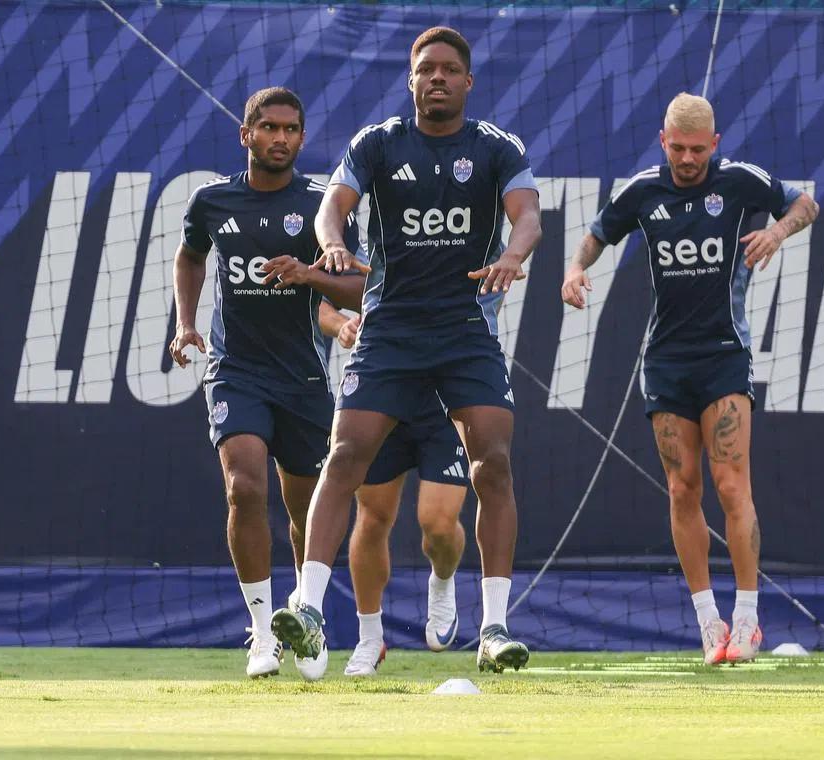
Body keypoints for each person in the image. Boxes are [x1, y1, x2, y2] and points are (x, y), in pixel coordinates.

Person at [270, 27, 543, 679]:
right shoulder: (379, 143)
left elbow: (528, 213)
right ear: (412, 80)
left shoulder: (495, 148)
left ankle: (494, 627)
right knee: (346, 458)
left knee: (494, 465)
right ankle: (308, 608)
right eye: (427, 70)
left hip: (462, 331)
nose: (438, 78)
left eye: (450, 69)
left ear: (468, 83)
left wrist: (512, 253)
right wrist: (332, 243)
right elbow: (332, 208)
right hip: (389, 331)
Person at [560, 92, 818, 664]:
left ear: (715, 144)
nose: (687, 159)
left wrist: (777, 233)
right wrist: (576, 269)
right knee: (682, 489)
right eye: (678, 147)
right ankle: (709, 622)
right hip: (666, 361)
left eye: (698, 149)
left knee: (731, 485)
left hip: (725, 353)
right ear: (663, 140)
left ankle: (748, 619)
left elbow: (805, 205)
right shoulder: (644, 189)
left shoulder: (739, 181)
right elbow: (598, 232)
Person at [169, 87, 361, 678]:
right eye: (269, 127)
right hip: (235, 372)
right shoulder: (212, 201)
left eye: (291, 129)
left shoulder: (322, 205)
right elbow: (190, 257)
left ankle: (306, 618)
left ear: (302, 138)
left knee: (305, 510)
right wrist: (185, 324)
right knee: (244, 490)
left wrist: (307, 274)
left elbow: (357, 286)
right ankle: (260, 633)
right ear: (245, 135)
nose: (280, 138)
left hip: (303, 378)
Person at [319, 304, 471, 677]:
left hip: (444, 389)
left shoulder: (460, 243)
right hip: (379, 386)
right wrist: (341, 324)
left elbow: (487, 287)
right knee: (371, 519)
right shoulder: (340, 244)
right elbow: (312, 289)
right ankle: (370, 638)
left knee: (437, 524)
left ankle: (442, 578)